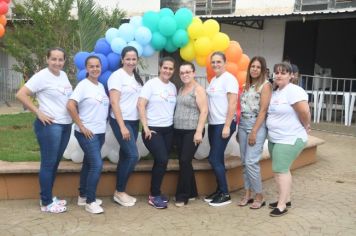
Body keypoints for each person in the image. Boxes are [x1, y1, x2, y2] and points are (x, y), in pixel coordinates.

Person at [16, 47, 72, 213]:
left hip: (65, 125)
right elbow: (21, 94)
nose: (57, 62)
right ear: (47, 59)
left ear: (64, 61)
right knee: (48, 164)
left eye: (60, 59)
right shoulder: (41, 76)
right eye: (53, 59)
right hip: (50, 126)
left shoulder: (63, 75)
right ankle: (46, 202)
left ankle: (47, 197)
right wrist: (38, 112)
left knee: (54, 163)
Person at [266, 62, 311, 217]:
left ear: (291, 75)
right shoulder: (276, 91)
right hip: (275, 138)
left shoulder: (294, 91)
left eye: (283, 73)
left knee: (281, 170)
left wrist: (306, 126)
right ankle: (286, 198)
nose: (279, 75)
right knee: (279, 171)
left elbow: (304, 111)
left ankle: (282, 205)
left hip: (289, 138)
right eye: (276, 72)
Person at [67, 55, 109, 214]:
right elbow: (70, 105)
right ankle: (90, 201)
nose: (95, 69)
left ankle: (83, 195)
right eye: (91, 66)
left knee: (89, 164)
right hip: (87, 133)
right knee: (97, 165)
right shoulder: (83, 85)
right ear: (86, 69)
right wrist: (81, 126)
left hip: (99, 133)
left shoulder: (100, 86)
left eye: (97, 66)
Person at [137, 56, 177, 209]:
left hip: (168, 130)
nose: (167, 71)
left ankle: (157, 192)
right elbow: (141, 105)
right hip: (152, 130)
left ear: (173, 71)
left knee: (161, 162)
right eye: (165, 67)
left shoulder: (173, 87)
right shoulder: (151, 84)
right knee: (161, 159)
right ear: (160, 68)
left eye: (170, 68)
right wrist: (145, 127)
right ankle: (153, 195)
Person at [107, 46, 143, 207]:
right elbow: (114, 102)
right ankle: (119, 191)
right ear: (122, 59)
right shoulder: (117, 76)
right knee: (133, 155)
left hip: (134, 121)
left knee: (125, 156)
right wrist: (122, 127)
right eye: (127, 58)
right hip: (121, 121)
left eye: (133, 59)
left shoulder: (136, 78)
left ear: (137, 60)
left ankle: (120, 191)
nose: (130, 61)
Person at [237, 56, 272, 209]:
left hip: (256, 124)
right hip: (243, 124)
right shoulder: (246, 85)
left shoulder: (265, 86)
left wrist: (254, 132)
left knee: (252, 161)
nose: (255, 69)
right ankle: (247, 193)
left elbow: (263, 110)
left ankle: (259, 195)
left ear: (262, 69)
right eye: (253, 66)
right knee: (244, 161)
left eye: (258, 67)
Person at [204, 51, 238, 207]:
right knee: (217, 159)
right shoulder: (214, 80)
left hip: (223, 124)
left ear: (225, 62)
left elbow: (232, 104)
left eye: (219, 62)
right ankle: (219, 190)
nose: (216, 65)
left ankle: (225, 193)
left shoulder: (229, 79)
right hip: (213, 124)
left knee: (213, 158)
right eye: (213, 62)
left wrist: (226, 126)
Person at [173, 62, 208, 207]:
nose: (185, 75)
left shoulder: (198, 89)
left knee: (184, 161)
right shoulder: (181, 89)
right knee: (185, 162)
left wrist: (198, 132)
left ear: (194, 73)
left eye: (188, 72)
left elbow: (204, 111)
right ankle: (192, 191)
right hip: (179, 131)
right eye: (182, 72)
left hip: (193, 131)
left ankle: (183, 196)